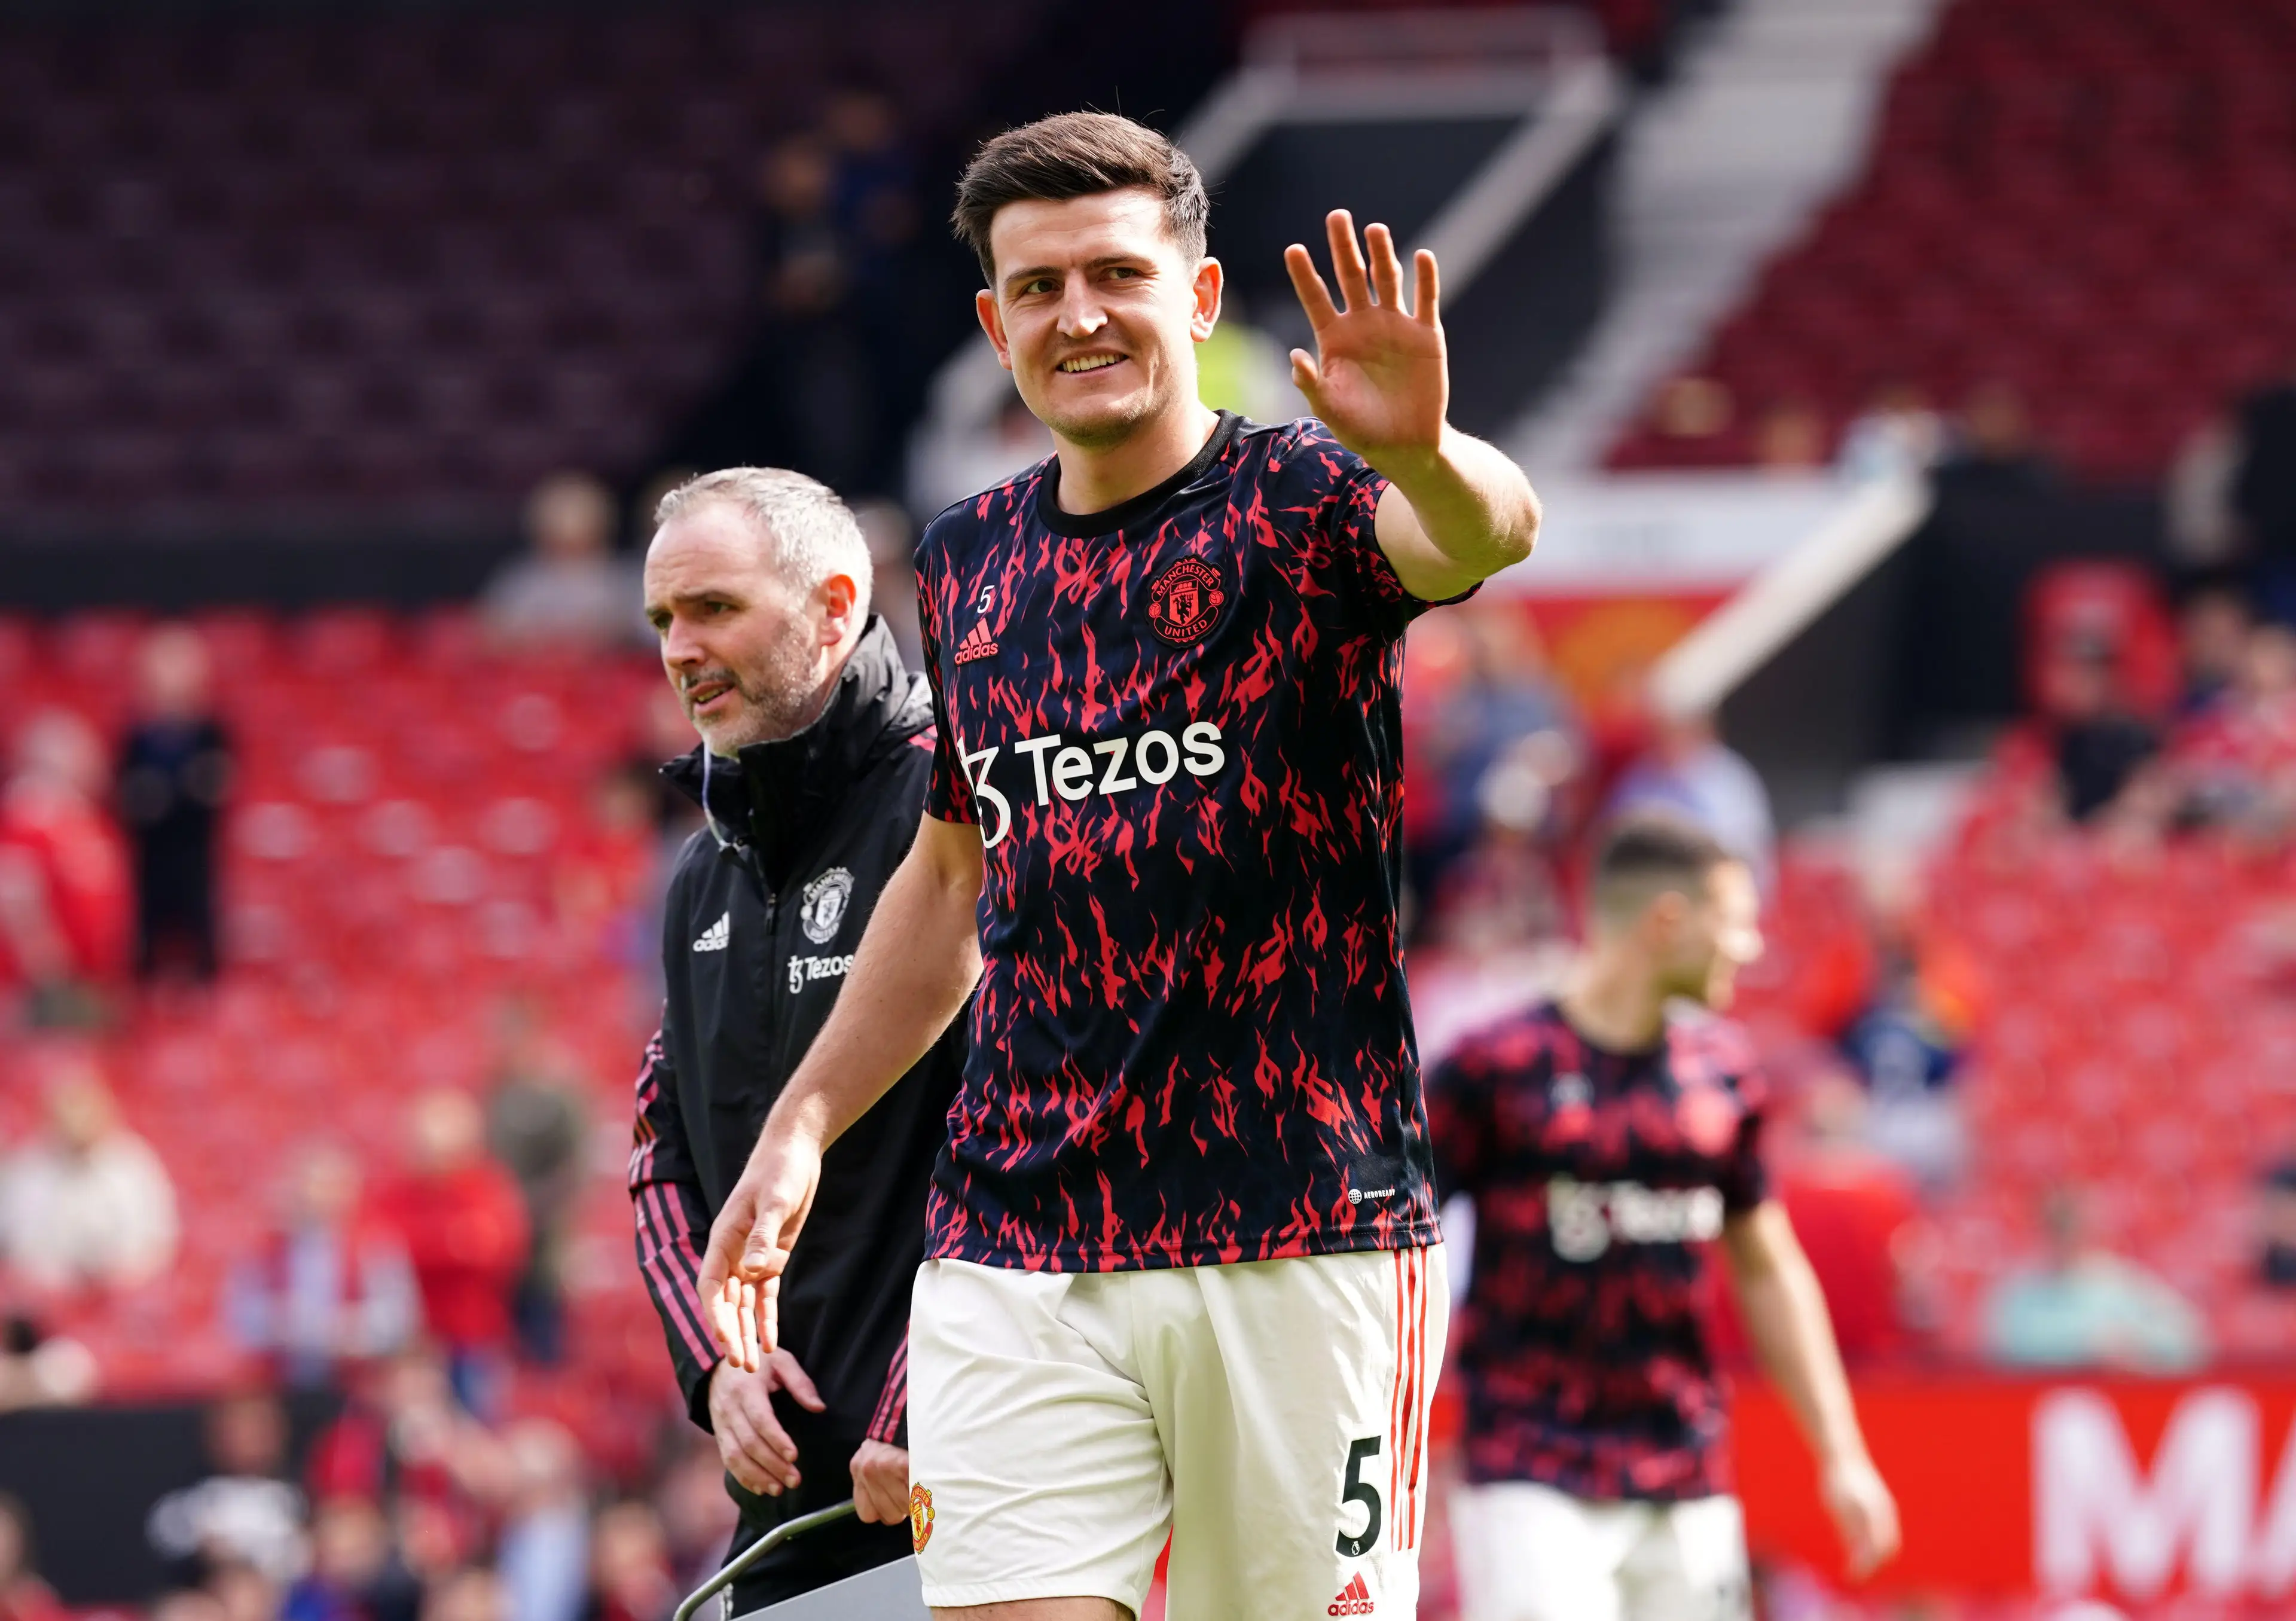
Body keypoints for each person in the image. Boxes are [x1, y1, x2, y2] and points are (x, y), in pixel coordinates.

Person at [698, 111, 1541, 1620]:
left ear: (1196, 297)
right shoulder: (967, 561)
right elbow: (950, 877)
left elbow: (1481, 534)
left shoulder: (1300, 503)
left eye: (1114, 274)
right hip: (1017, 1241)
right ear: (994, 326)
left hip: (1298, 1226)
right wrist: (802, 1123)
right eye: (1037, 287)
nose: (1076, 315)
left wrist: (1420, 449)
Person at [1427, 816, 1900, 1621]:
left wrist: (1842, 1453)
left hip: (1684, 1474)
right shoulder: (1495, 1067)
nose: (1749, 947)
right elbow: (1398, 1243)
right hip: (1527, 1466)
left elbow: (1769, 1267)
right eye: (1735, 922)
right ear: (1669, 920)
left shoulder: (1722, 1075)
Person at [630, 468, 964, 1607]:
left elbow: (1040, 1134)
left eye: (714, 608)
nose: (680, 649)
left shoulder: (958, 815)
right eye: (663, 620)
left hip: (967, 1474)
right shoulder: (702, 872)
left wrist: (927, 1400)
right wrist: (717, 1363)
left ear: (834, 608)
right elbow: (660, 1152)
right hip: (789, 1507)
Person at [371, 1091, 528, 1414]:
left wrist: (427, 1247)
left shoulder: (486, 1188)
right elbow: (384, 1249)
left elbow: (496, 1249)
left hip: (471, 1339)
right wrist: (452, 1243)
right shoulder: (397, 1192)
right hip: (411, 1343)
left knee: (475, 1422)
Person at [225, 1143, 417, 1388]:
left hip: (356, 1382)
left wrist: (340, 1331)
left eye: (328, 1186)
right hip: (284, 1381)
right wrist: (284, 1323)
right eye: (308, 1185)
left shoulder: (375, 1245)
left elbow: (397, 1320)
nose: (315, 1196)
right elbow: (242, 1319)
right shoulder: (265, 1250)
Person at [0, 1054, 178, 1292]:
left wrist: (113, 1273)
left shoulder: (132, 1163)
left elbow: (155, 1237)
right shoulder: (30, 1170)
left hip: (123, 1293)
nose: (76, 1123)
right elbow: (20, 1244)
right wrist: (66, 1278)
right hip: (51, 1294)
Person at [116, 625, 233, 985]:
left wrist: (167, 797)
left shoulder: (212, 734)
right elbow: (129, 798)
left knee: (203, 958)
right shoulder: (135, 738)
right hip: (147, 866)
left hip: (195, 862)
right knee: (143, 960)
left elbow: (213, 792)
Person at [1984, 1185, 2206, 1372]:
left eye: (2072, 1225)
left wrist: (2133, 1342)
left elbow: (2186, 1339)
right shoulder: (2019, 1293)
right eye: (2058, 1225)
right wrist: (2084, 1346)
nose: (2066, 1236)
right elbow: (2005, 1350)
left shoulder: (2122, 1282)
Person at [146, 1393, 308, 1588]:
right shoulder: (197, 1497)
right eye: (236, 1431)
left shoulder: (298, 1498)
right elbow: (167, 1534)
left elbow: (302, 1557)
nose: (247, 1441)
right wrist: (206, 1546)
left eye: (258, 1431)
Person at [480, 473, 642, 651]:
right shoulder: (520, 582)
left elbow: (646, 633)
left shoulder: (627, 581)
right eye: (560, 546)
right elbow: (493, 634)